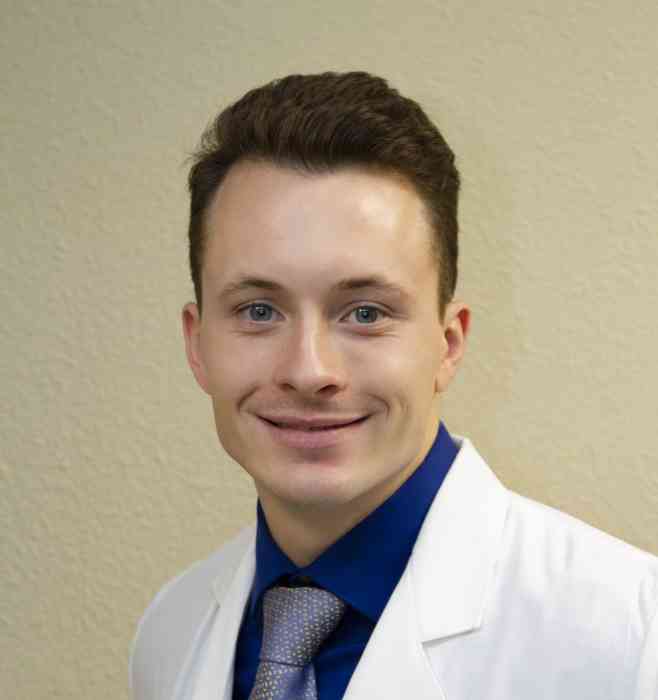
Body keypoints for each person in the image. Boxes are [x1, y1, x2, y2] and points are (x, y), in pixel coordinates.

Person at [129, 71, 658, 700]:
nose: (309, 371)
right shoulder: (171, 630)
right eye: (259, 310)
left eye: (365, 312)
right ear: (198, 345)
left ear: (448, 344)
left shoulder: (630, 637)